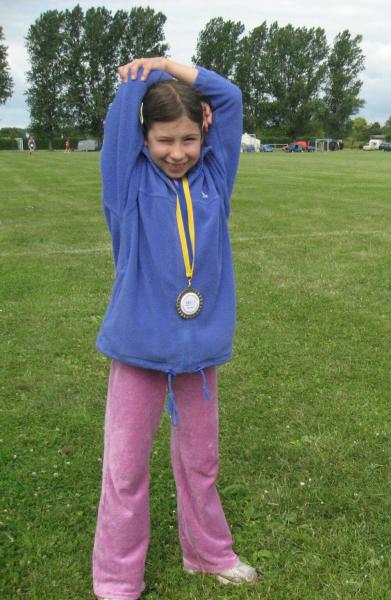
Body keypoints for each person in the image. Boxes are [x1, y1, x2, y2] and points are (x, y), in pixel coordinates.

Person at [92, 56, 256, 599]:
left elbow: (230, 96)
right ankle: (117, 580)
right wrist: (144, 78)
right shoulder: (127, 183)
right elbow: (124, 117)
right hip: (138, 350)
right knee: (125, 471)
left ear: (204, 135)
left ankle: (207, 554)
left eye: (189, 139)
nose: (178, 153)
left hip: (199, 353)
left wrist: (168, 65)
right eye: (165, 140)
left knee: (201, 463)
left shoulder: (215, 176)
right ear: (144, 137)